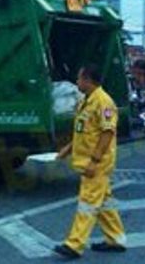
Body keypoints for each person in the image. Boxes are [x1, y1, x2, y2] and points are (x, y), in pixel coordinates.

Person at [53, 64, 126, 259]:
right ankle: (116, 239)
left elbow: (107, 132)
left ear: (88, 80)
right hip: (88, 161)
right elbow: (82, 131)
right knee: (104, 202)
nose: (77, 82)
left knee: (87, 202)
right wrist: (68, 149)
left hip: (97, 164)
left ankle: (74, 244)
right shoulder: (86, 101)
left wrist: (94, 161)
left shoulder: (104, 102)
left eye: (79, 79)